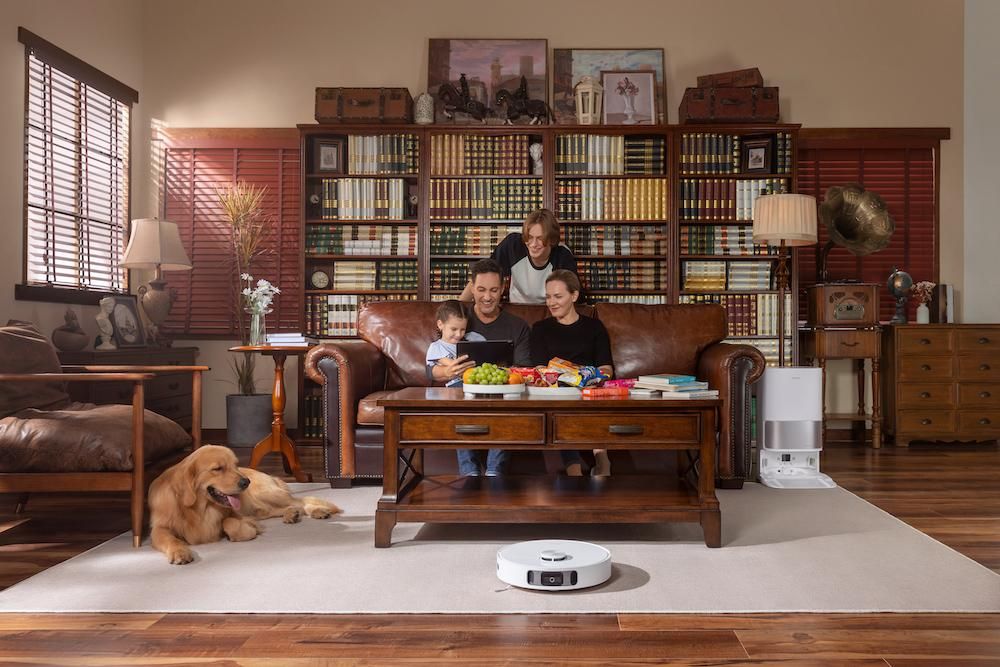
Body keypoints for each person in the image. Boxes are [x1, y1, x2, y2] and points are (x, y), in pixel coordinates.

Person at [431, 259, 532, 476]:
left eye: (494, 290)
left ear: (503, 288)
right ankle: (470, 473)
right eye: (481, 289)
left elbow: (523, 370)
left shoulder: (518, 326)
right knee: (459, 398)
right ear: (472, 287)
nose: (487, 297)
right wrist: (446, 372)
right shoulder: (457, 320)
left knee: (509, 401)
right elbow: (433, 365)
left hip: (502, 395)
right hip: (462, 393)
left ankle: (495, 471)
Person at [530, 269, 614, 477]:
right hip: (556, 391)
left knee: (593, 399)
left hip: (590, 390)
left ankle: (602, 459)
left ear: (574, 296)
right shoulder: (540, 329)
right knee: (561, 407)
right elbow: (539, 369)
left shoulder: (594, 327)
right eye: (548, 297)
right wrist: (561, 380)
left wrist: (596, 378)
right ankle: (574, 470)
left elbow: (606, 367)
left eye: (558, 296)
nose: (551, 302)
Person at [458, 208, 577, 304]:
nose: (533, 244)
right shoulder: (513, 245)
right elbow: (483, 275)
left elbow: (571, 298)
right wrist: (458, 309)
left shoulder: (563, 255)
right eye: (529, 237)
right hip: (517, 309)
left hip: (549, 312)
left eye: (540, 239)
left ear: (551, 239)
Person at [425, 300, 485, 388]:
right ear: (440, 324)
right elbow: (455, 366)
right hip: (454, 385)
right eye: (454, 329)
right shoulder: (436, 347)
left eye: (462, 329)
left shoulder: (472, 338)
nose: (458, 334)